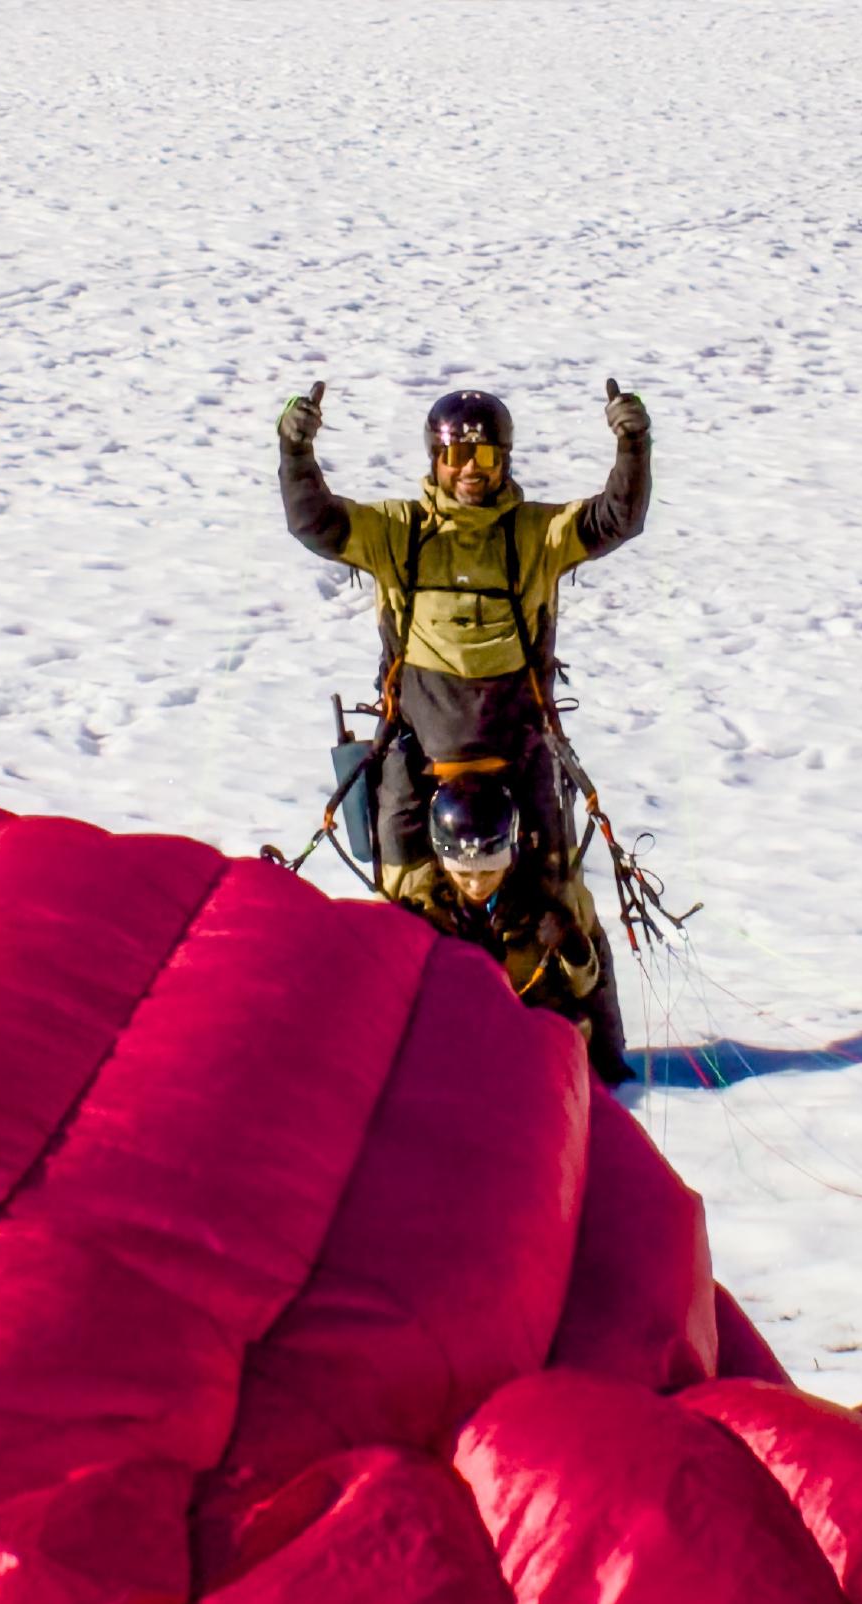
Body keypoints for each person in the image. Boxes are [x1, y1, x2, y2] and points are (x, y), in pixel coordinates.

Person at [276, 378, 651, 898]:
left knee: (557, 898)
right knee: (404, 896)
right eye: (457, 453)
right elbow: (314, 521)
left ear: (506, 460)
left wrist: (633, 445)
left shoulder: (537, 533)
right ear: (436, 458)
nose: (471, 467)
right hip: (415, 746)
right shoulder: (395, 530)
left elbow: (616, 518)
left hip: (520, 745)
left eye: (486, 454)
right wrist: (295, 450)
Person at [395, 774, 636, 1085]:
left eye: (488, 871)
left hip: (533, 1037)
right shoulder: (422, 902)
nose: (476, 883)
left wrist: (571, 944)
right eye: (464, 873)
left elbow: (585, 986)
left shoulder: (544, 896)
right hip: (452, 1038)